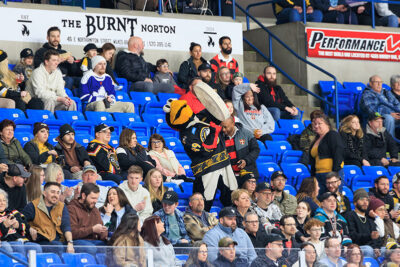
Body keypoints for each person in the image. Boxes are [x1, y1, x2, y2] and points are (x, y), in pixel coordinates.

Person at [165, 99, 238, 211]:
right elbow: (205, 150)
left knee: (232, 197)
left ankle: (234, 220)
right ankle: (199, 224)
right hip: (207, 170)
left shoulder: (200, 117)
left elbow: (214, 109)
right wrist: (213, 133)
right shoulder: (186, 136)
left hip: (224, 165)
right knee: (204, 203)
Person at [22, 182, 74, 254]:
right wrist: (29, 228)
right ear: (45, 193)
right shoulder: (33, 206)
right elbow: (21, 220)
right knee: (58, 247)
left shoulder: (62, 206)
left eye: (58, 193)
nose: (55, 195)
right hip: (41, 241)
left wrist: (70, 243)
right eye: (52, 192)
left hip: (59, 241)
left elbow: (66, 226)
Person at [33, 26, 79, 91]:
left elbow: (73, 72)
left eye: (58, 36)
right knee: (69, 80)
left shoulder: (64, 52)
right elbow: (38, 67)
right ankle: (63, 98)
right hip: (50, 79)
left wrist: (72, 63)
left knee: (82, 80)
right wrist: (57, 61)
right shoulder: (41, 51)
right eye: (53, 36)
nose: (56, 39)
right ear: (47, 38)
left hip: (65, 77)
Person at [67, 183, 107, 254]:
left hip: (94, 241)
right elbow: (72, 233)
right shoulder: (72, 208)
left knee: (110, 248)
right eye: (93, 198)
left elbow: (102, 232)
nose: (95, 201)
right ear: (83, 196)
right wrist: (92, 229)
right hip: (77, 241)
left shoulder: (95, 210)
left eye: (96, 198)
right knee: (91, 249)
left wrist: (103, 231)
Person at [309, 112, 344, 195]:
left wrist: (334, 175)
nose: (316, 126)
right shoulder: (316, 139)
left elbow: (338, 153)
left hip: (331, 174)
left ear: (327, 124)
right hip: (318, 175)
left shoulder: (332, 135)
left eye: (319, 123)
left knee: (333, 199)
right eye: (315, 124)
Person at [0, 188, 42, 255]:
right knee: (13, 246)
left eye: (4, 200)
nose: (2, 203)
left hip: (21, 240)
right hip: (5, 242)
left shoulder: (14, 212)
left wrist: (18, 225)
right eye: (0, 201)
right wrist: (4, 226)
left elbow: (26, 227)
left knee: (36, 247)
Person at [361, 75, 400, 139]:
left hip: (394, 115)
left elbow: (397, 103)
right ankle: (389, 143)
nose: (379, 84)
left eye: (381, 82)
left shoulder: (386, 92)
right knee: (389, 118)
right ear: (371, 83)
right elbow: (372, 110)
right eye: (376, 82)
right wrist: (390, 113)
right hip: (378, 117)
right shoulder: (367, 94)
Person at [344, 189, 379, 258]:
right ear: (355, 203)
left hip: (370, 247)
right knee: (368, 250)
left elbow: (376, 237)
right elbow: (353, 236)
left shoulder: (369, 218)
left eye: (367, 200)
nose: (365, 202)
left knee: (385, 250)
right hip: (356, 248)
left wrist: (376, 247)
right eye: (362, 199)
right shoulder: (350, 215)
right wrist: (369, 236)